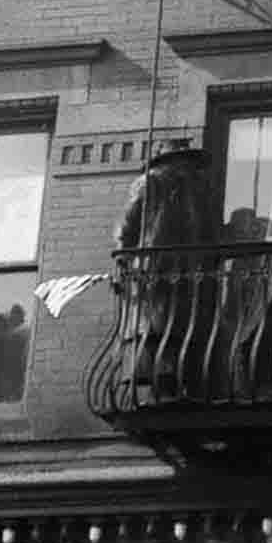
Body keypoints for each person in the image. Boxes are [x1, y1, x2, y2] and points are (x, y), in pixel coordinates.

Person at [113, 138, 217, 398]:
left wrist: (123, 258)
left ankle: (171, 386)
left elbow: (124, 230)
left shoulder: (194, 191)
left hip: (172, 273)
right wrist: (122, 259)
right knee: (163, 330)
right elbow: (126, 228)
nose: (188, 168)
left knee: (168, 331)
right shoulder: (154, 183)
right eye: (185, 161)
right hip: (161, 273)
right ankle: (165, 387)